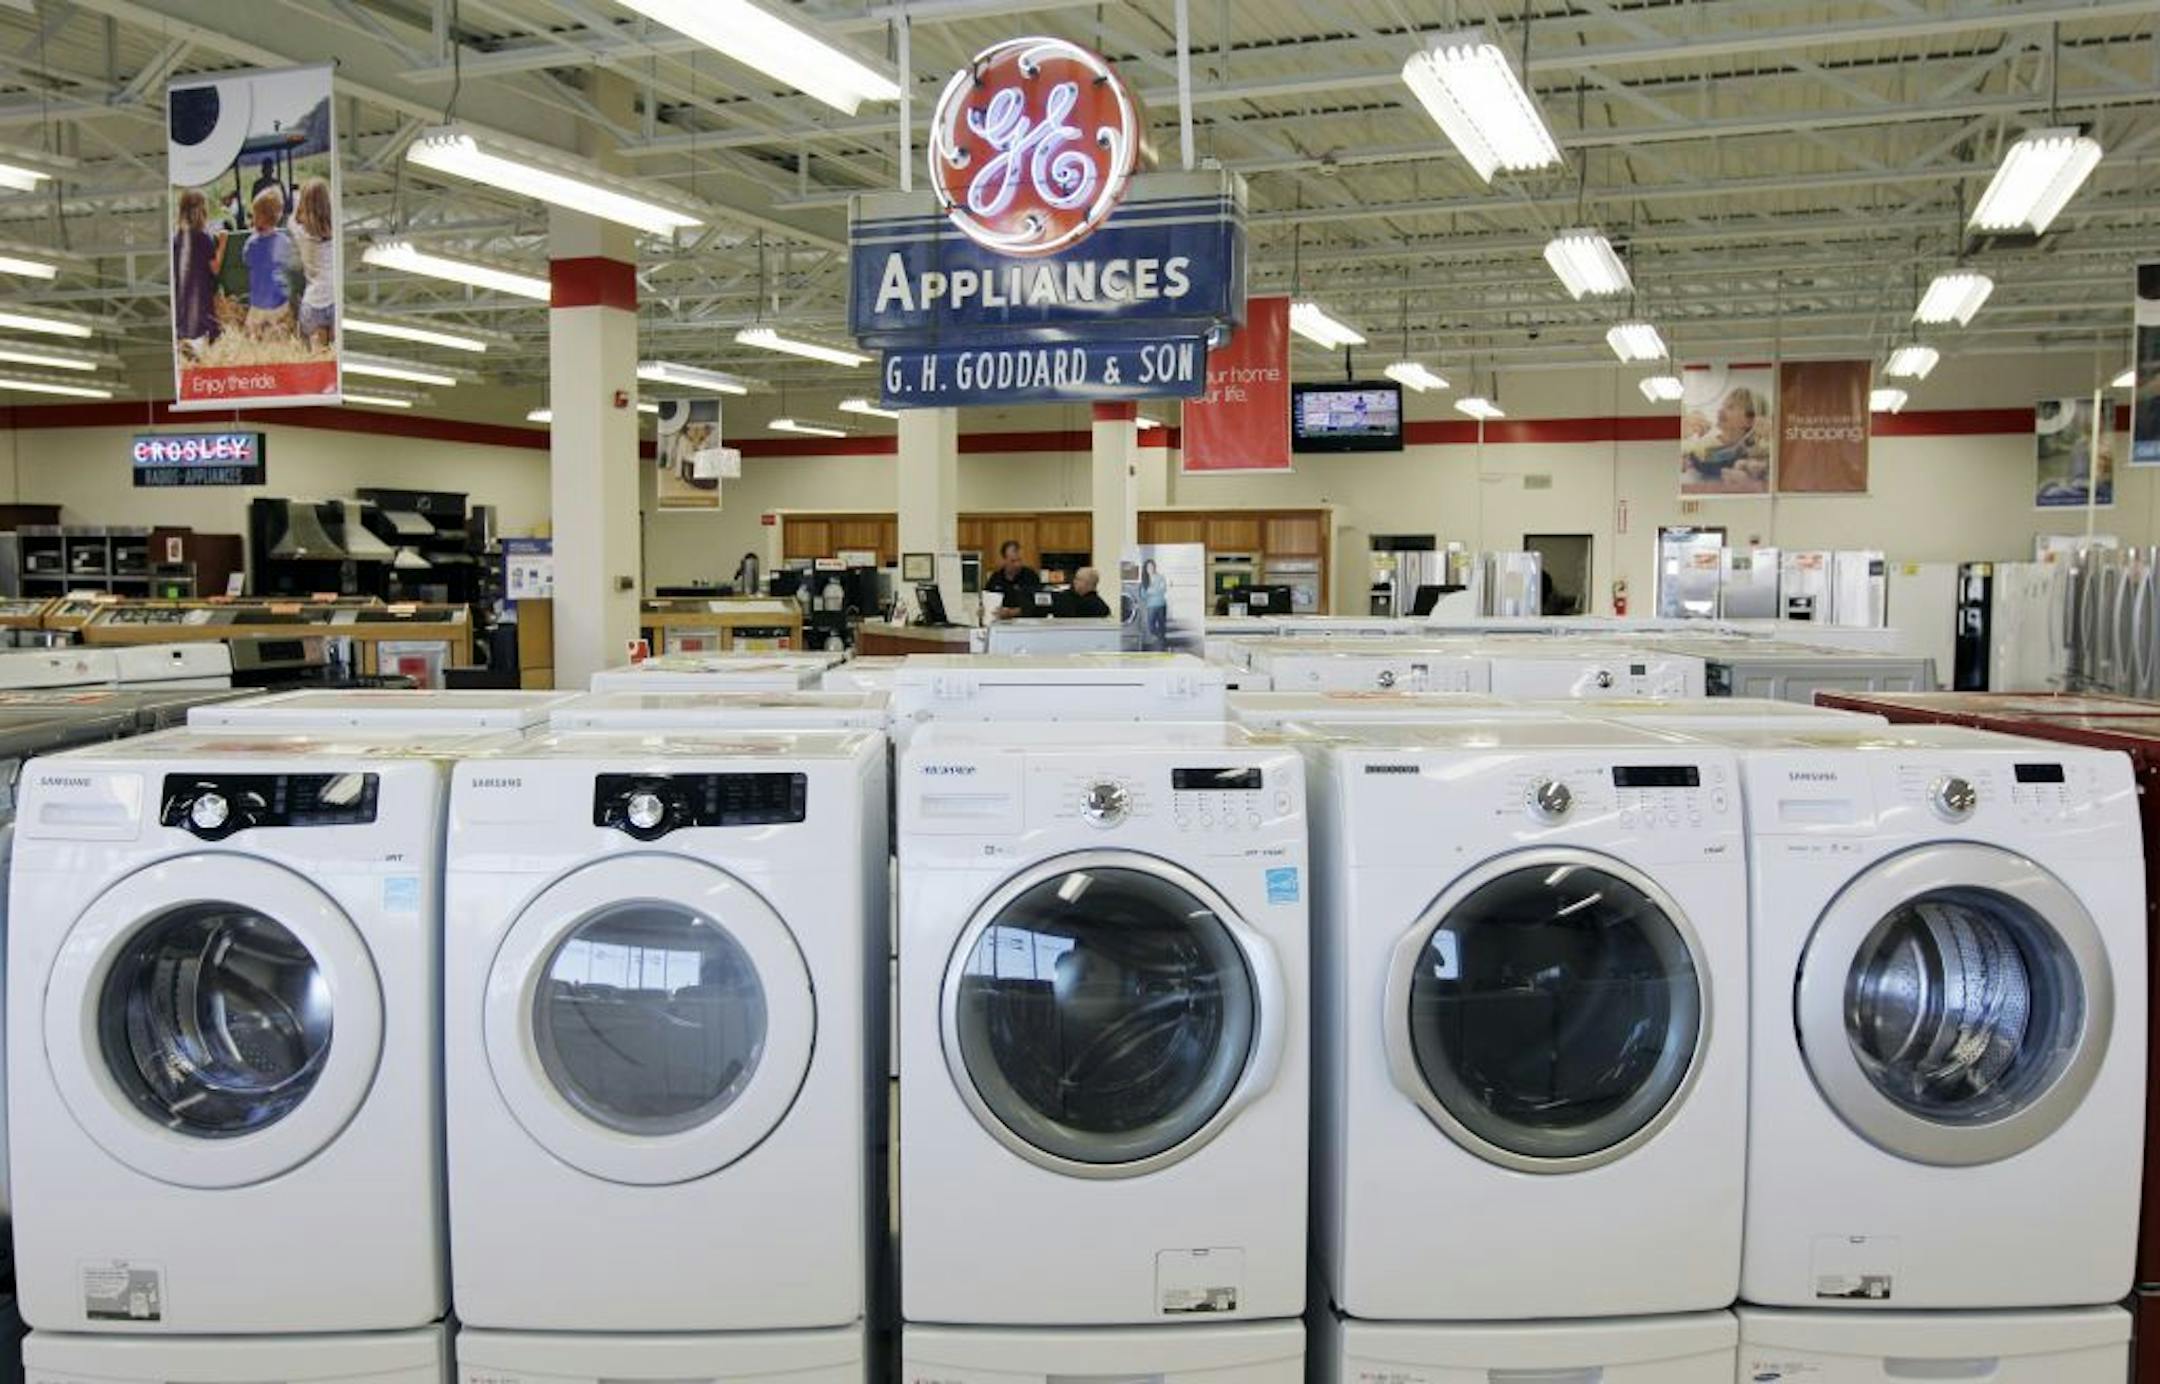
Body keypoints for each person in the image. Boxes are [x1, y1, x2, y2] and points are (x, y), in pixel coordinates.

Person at [171, 187, 223, 353]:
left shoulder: (177, 236)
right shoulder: (203, 237)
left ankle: (188, 344)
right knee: (208, 329)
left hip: (182, 295)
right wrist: (223, 242)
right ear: (203, 210)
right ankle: (197, 347)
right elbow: (215, 268)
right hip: (201, 293)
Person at [241, 185, 294, 338]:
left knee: (251, 330)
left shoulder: (251, 243)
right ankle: (278, 331)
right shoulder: (283, 241)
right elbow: (289, 261)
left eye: (254, 215)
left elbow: (246, 260)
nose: (253, 219)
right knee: (281, 324)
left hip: (258, 302)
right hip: (279, 301)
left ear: (260, 217)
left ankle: (258, 335)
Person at [289, 177, 336, 350]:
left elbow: (293, 216)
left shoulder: (298, 231)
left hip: (313, 303)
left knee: (319, 359)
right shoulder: (336, 232)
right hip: (335, 300)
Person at [983, 539, 1038, 620]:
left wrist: (1011, 612)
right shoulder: (995, 578)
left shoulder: (1030, 576)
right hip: (1000, 625)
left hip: (1025, 625)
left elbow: (1038, 606)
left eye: (1019, 560)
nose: (1017, 564)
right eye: (1013, 561)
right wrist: (983, 610)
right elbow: (986, 601)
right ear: (1004, 560)